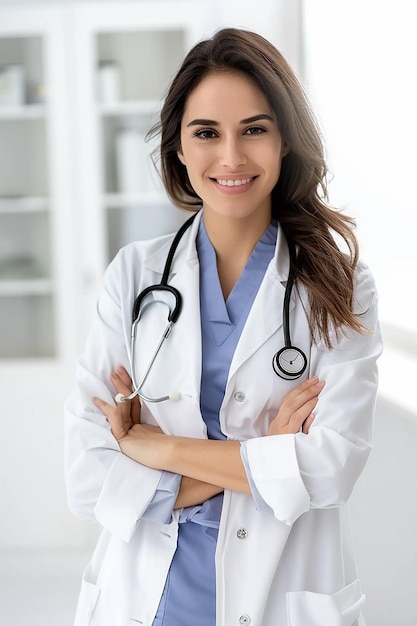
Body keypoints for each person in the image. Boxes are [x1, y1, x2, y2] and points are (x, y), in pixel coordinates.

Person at [65, 27, 382, 626]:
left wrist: (154, 449)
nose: (231, 157)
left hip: (278, 598)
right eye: (206, 133)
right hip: (143, 599)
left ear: (285, 140)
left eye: (254, 130)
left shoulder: (340, 286)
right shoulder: (134, 275)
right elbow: (88, 481)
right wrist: (264, 458)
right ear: (179, 148)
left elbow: (328, 465)